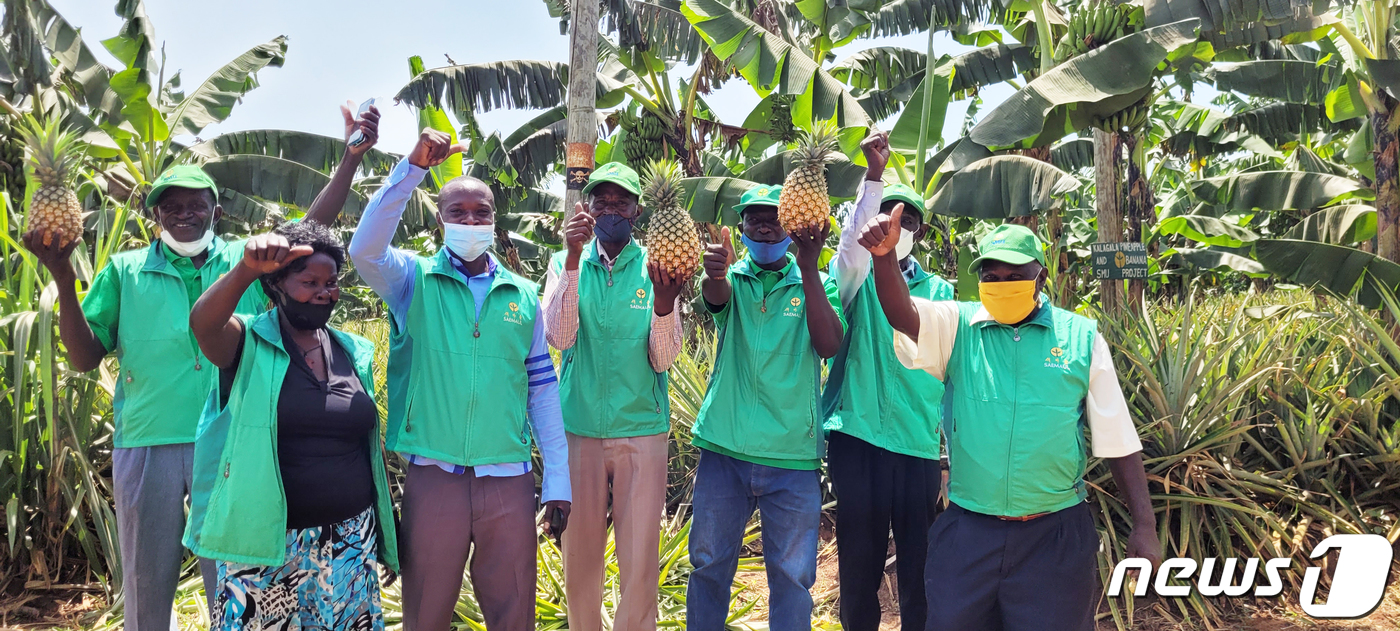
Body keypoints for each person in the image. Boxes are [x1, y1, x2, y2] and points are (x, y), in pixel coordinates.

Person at [18, 104, 381, 631]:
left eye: (197, 205)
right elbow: (83, 358)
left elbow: (310, 231)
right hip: (148, 439)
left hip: (238, 442)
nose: (184, 214)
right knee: (146, 579)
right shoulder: (124, 271)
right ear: (155, 217)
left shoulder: (245, 261)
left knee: (235, 574)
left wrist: (349, 158)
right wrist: (60, 276)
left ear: (216, 210)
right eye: (171, 207)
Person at [857, 216, 1163, 631]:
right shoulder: (958, 326)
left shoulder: (1080, 338)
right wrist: (883, 256)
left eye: (1015, 275)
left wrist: (1144, 525)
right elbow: (902, 312)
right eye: (992, 275)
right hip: (969, 533)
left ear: (1041, 277)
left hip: (1053, 537)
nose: (1002, 283)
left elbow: (1118, 440)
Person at [347, 129, 571, 631]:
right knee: (425, 613)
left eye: (481, 212)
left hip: (507, 480)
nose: (471, 221)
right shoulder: (412, 281)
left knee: (513, 613)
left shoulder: (521, 296)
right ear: (440, 220)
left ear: (495, 220)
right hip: (434, 476)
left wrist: (558, 476)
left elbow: (541, 389)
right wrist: (413, 170)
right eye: (458, 212)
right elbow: (364, 250)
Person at [184, 221, 399, 631]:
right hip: (266, 548)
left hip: (350, 540)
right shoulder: (247, 342)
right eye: (309, 281)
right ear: (275, 286)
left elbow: (366, 448)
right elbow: (203, 325)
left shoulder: (353, 351)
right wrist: (247, 268)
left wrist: (384, 534)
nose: (324, 291)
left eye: (331, 282)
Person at [686, 185, 845, 631]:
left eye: (774, 217)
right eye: (753, 218)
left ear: (794, 224)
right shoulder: (732, 277)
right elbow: (715, 300)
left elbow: (829, 343)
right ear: (742, 228)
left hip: (792, 458)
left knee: (793, 579)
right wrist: (715, 274)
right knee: (708, 567)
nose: (763, 225)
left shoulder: (819, 281)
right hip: (725, 449)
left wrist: (810, 271)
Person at [542, 162, 685, 631]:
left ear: (636, 209)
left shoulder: (656, 263)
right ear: (587, 208)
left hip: (641, 429)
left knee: (639, 559)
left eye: (620, 202)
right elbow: (559, 338)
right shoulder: (567, 262)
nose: (610, 210)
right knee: (579, 556)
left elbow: (664, 360)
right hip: (578, 429)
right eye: (600, 201)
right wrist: (569, 257)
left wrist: (664, 304)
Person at [821, 132, 954, 631]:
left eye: (910, 218)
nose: (898, 224)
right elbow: (853, 254)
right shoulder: (850, 279)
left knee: (921, 568)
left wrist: (949, 450)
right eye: (890, 212)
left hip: (918, 444)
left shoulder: (939, 291)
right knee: (859, 565)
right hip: (859, 437)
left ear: (920, 230)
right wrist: (874, 178)